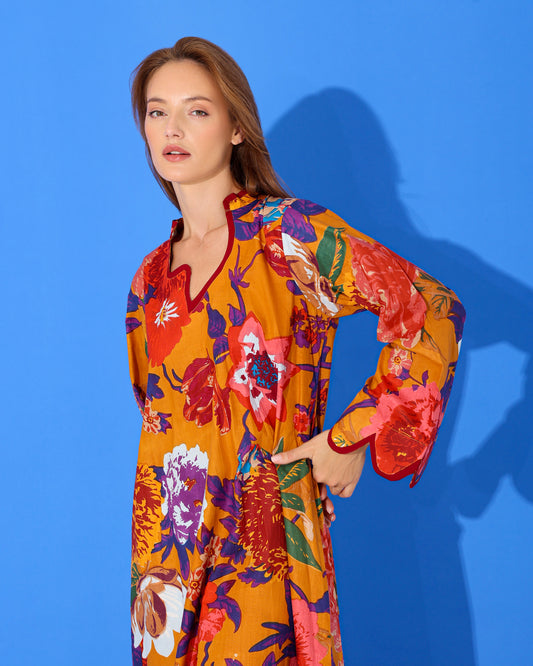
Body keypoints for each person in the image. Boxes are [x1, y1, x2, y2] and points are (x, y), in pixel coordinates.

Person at [126, 36, 465, 665]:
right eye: (157, 111)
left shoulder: (286, 235)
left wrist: (351, 437)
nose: (173, 128)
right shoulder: (150, 279)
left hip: (263, 549)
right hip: (167, 564)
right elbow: (167, 426)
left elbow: (431, 310)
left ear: (235, 128)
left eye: (197, 110)